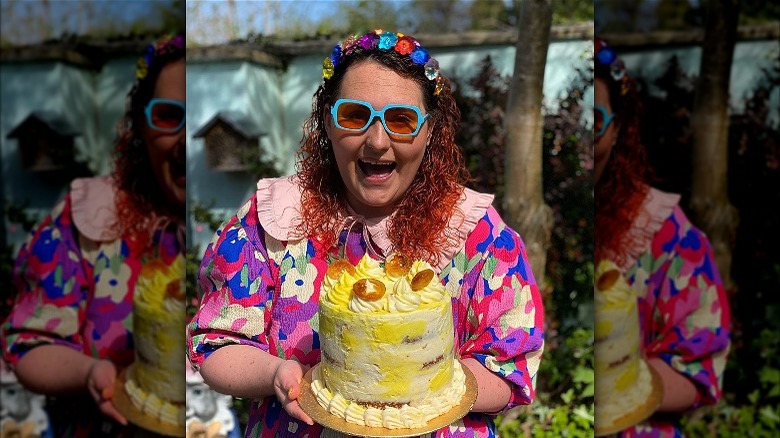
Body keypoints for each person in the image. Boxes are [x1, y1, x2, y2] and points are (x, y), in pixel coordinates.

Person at [187, 30, 545, 437]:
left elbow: (508, 368)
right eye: (356, 116)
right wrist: (275, 373)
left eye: (401, 120)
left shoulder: (477, 234)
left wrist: (419, 386)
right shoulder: (271, 220)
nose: (377, 142)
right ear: (327, 120)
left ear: (429, 131)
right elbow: (215, 344)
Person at [1, 33, 186, 437]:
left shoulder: (252, 233)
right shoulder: (86, 218)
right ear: (141, 124)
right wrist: (89, 372)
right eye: (171, 116)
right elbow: (28, 343)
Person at [594, 36, 731, 436]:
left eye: (596, 122)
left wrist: (621, 385)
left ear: (617, 130)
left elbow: (698, 370)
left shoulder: (664, 233)